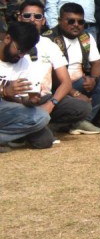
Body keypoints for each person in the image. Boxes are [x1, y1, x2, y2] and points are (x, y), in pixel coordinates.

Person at [17, 1, 92, 136]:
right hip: (15, 99)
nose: (32, 20)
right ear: (19, 17)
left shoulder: (49, 44)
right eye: (27, 15)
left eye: (37, 16)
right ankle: (32, 129)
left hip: (44, 98)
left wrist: (51, 104)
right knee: (43, 142)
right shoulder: (9, 42)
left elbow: (66, 82)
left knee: (83, 107)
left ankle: (45, 125)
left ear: (43, 20)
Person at [42, 3, 100, 132]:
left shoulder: (86, 37)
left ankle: (83, 122)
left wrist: (93, 79)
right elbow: (50, 75)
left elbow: (97, 63)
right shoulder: (48, 40)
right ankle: (66, 123)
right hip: (57, 86)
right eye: (71, 21)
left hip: (80, 82)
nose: (76, 25)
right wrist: (74, 93)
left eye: (80, 22)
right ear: (59, 21)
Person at [0, 21, 56, 150]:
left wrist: (29, 101)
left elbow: (18, 99)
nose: (21, 55)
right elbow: (6, 94)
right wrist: (4, 91)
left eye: (25, 52)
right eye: (19, 50)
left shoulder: (23, 62)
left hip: (5, 110)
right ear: (8, 38)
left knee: (42, 119)